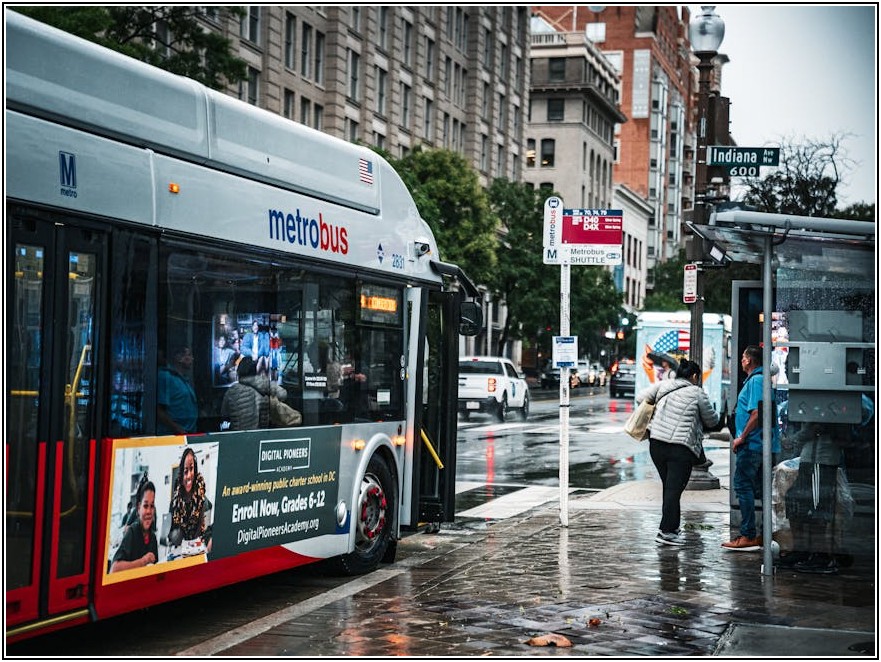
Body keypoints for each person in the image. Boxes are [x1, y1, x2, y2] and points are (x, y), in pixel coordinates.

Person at [636, 359, 719, 546]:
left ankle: (671, 528)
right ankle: (666, 532)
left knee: (670, 488)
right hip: (679, 447)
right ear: (695, 376)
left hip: (656, 444)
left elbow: (641, 397)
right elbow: (712, 420)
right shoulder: (697, 392)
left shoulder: (664, 385)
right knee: (673, 490)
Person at [722, 345, 781, 551]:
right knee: (760, 488)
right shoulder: (759, 380)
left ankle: (748, 534)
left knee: (742, 484)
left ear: (749, 361)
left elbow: (757, 413)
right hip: (759, 444)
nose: (741, 361)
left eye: (743, 357)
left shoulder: (756, 380)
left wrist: (741, 438)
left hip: (754, 444)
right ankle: (763, 533)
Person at [169, 447, 212, 553]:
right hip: (181, 552)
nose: (188, 476)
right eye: (185, 471)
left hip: (199, 551)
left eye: (191, 469)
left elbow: (206, 531)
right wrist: (176, 535)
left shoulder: (204, 501)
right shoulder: (175, 503)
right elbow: (171, 535)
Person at [110, 479, 158, 572]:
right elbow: (114, 569)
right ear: (139, 508)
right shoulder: (132, 532)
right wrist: (143, 561)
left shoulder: (153, 538)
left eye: (152, 506)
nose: (149, 511)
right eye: (145, 506)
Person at [157, 346, 198, 435]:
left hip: (188, 433)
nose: (192, 359)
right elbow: (159, 410)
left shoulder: (183, 380)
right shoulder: (165, 377)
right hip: (173, 436)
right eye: (189, 355)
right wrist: (178, 429)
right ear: (179, 358)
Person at [220, 356, 268, 430]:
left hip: (236, 437)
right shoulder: (262, 391)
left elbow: (224, 416)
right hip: (256, 437)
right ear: (255, 372)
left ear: (239, 372)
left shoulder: (231, 392)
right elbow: (264, 423)